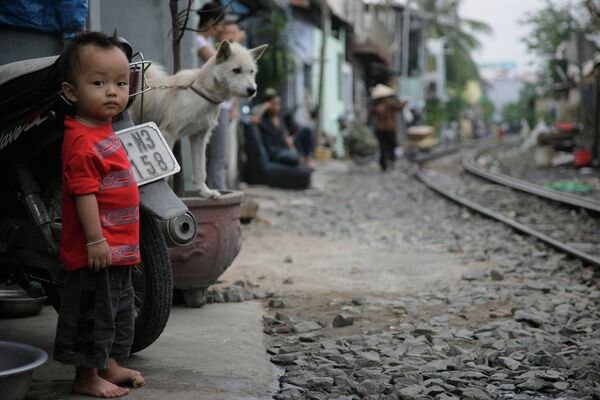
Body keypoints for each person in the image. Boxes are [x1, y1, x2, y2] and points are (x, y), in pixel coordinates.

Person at [56, 31, 144, 398]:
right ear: (72, 92)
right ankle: (85, 376)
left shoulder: (103, 129)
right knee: (92, 312)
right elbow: (84, 193)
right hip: (97, 250)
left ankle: (107, 364)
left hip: (119, 249)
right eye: (99, 82)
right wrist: (95, 240)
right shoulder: (80, 140)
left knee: (118, 309)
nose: (112, 91)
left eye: (120, 83)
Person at [192, 1, 228, 190]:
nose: (221, 29)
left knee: (217, 155)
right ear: (211, 22)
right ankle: (218, 190)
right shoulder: (199, 42)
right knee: (216, 155)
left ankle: (217, 187)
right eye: (221, 24)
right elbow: (221, 66)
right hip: (206, 101)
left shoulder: (206, 43)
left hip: (213, 101)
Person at [250, 88, 315, 168]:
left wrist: (293, 149)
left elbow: (286, 136)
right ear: (268, 105)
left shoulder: (280, 117)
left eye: (279, 103)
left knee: (307, 130)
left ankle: (304, 159)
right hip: (276, 151)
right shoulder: (263, 119)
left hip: (285, 147)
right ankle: (302, 160)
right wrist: (263, 108)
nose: (278, 106)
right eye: (275, 103)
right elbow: (253, 121)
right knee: (293, 157)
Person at [367, 84, 407, 171]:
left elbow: (369, 118)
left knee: (382, 147)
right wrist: (405, 102)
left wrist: (368, 127)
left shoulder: (374, 105)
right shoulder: (389, 103)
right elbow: (399, 107)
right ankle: (391, 162)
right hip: (389, 128)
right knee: (392, 145)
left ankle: (383, 165)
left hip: (379, 129)